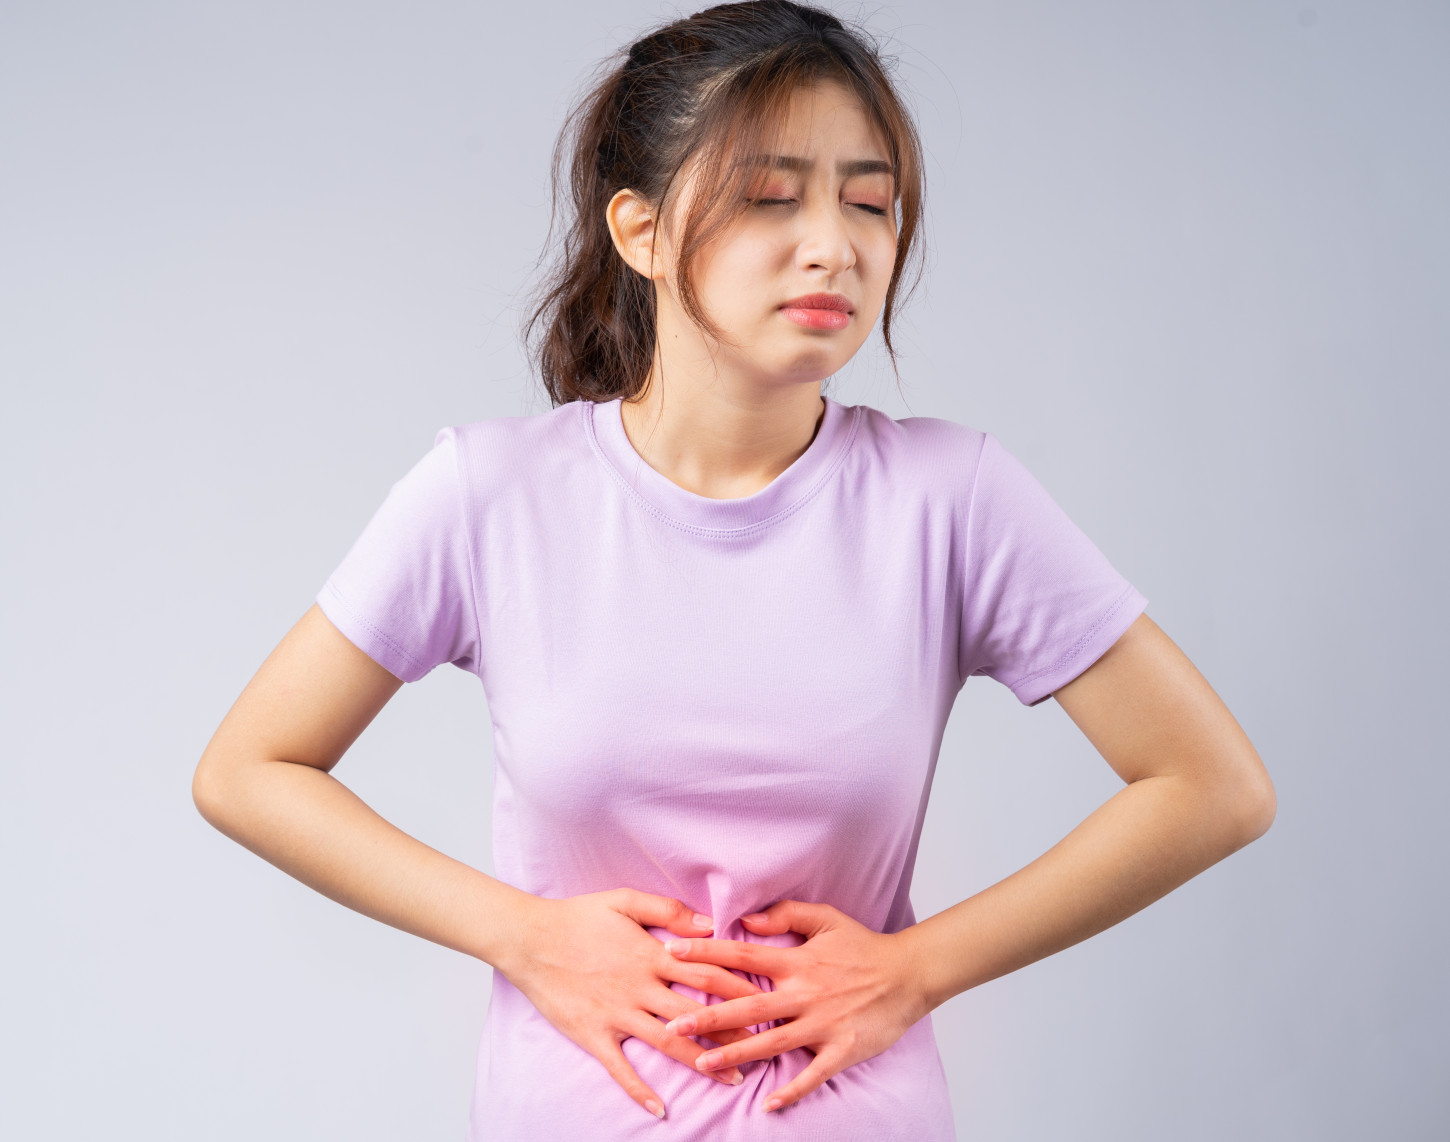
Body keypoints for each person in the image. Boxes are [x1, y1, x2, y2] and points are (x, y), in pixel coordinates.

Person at [192, 2, 1277, 1138]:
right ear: (640, 231)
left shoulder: (952, 499)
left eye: (868, 201)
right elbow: (249, 766)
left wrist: (916, 967)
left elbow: (1213, 784)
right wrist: (523, 932)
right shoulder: (490, 492)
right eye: (771, 197)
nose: (833, 244)